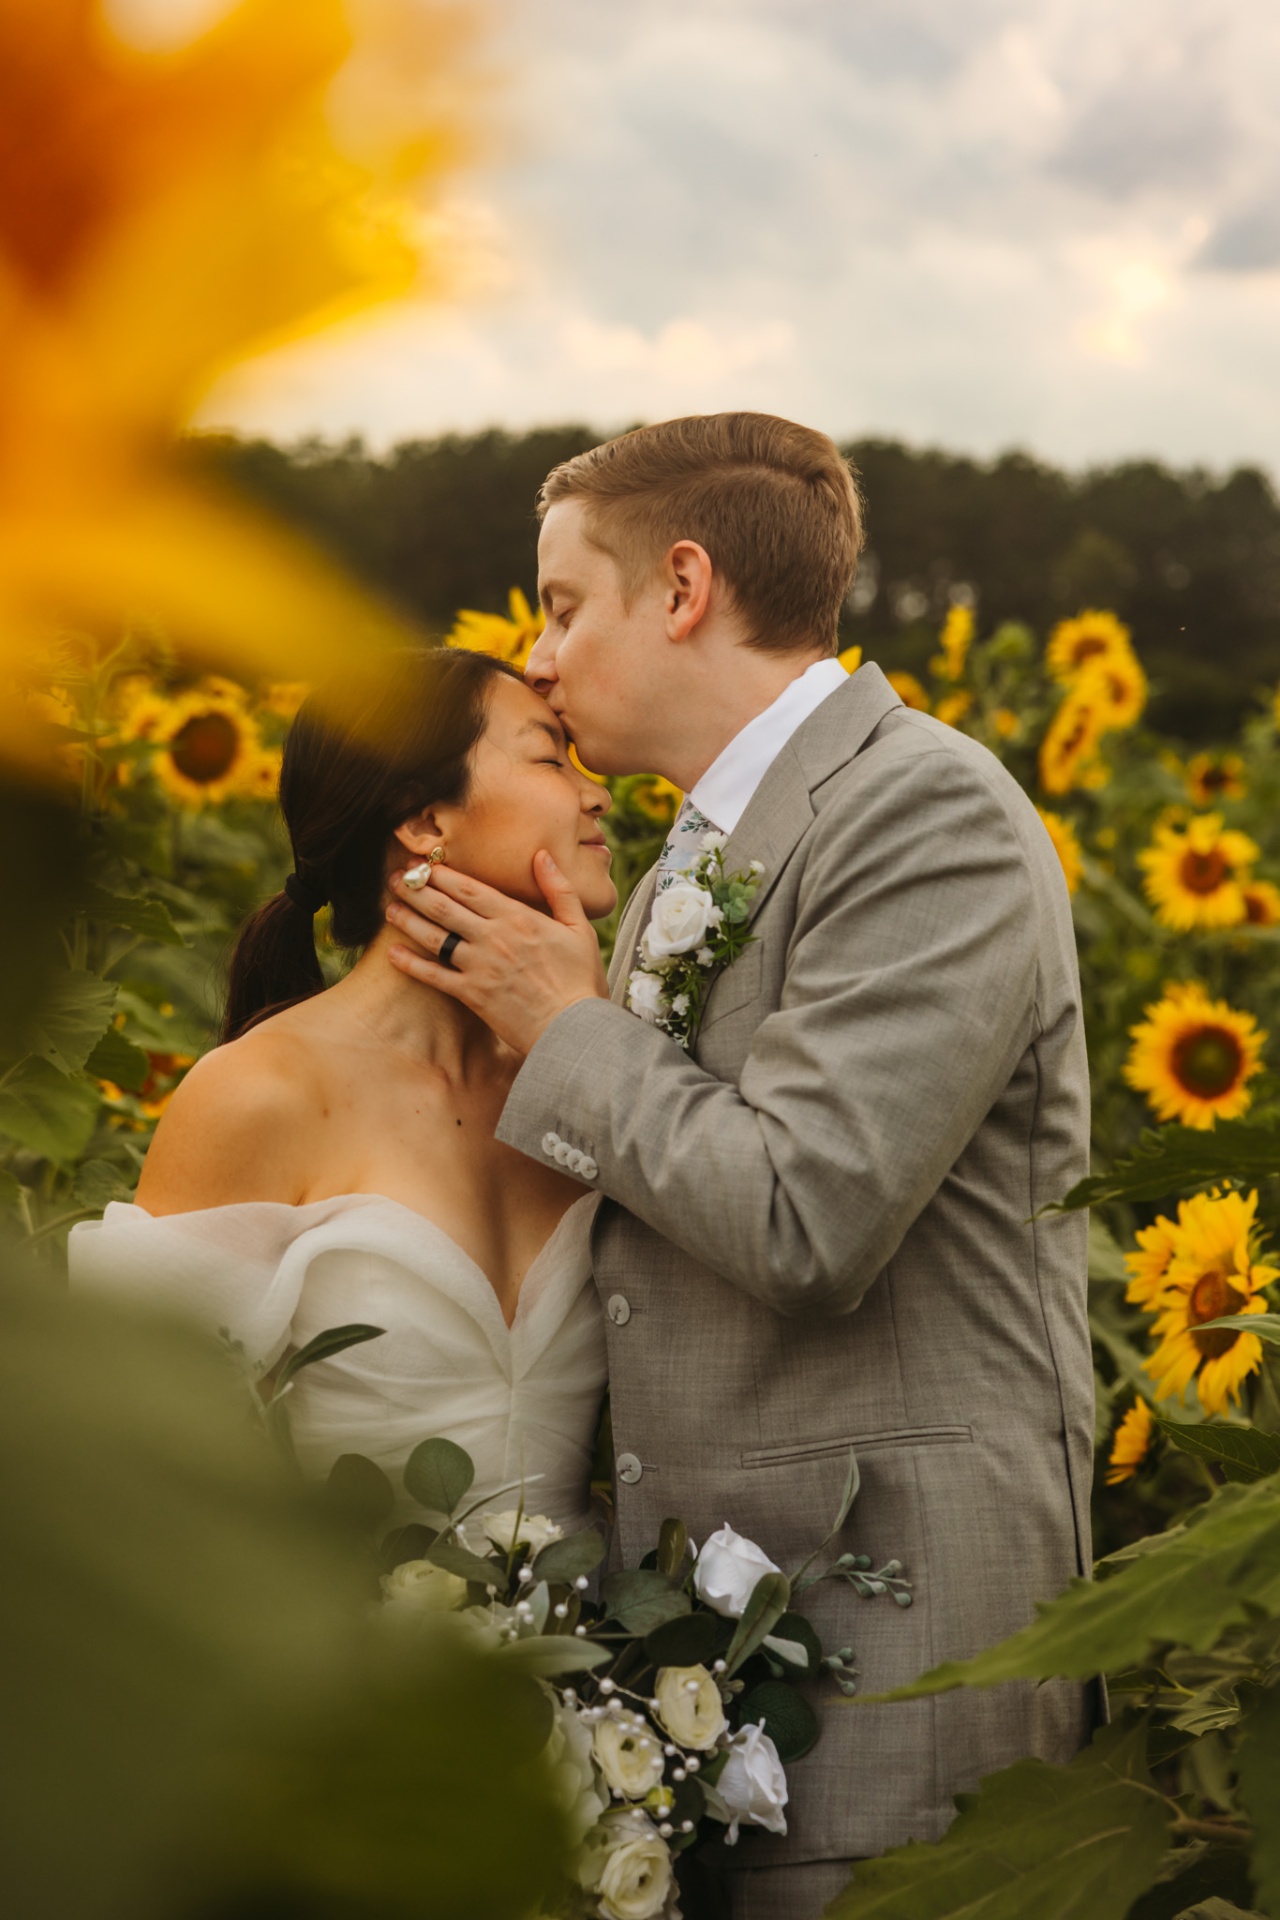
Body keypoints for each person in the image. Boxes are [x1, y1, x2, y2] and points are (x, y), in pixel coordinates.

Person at [382, 412, 1096, 1920]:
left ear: (685, 586)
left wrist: (562, 1029)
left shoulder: (927, 811)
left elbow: (805, 1214)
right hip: (725, 1658)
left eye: (564, 604)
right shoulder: (696, 853)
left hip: (895, 1652)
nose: (543, 658)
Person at [70, 648, 616, 1533]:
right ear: (427, 821)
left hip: (602, 1659)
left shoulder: (595, 1086)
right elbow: (125, 1463)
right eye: (551, 757)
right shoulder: (263, 1093)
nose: (596, 794)